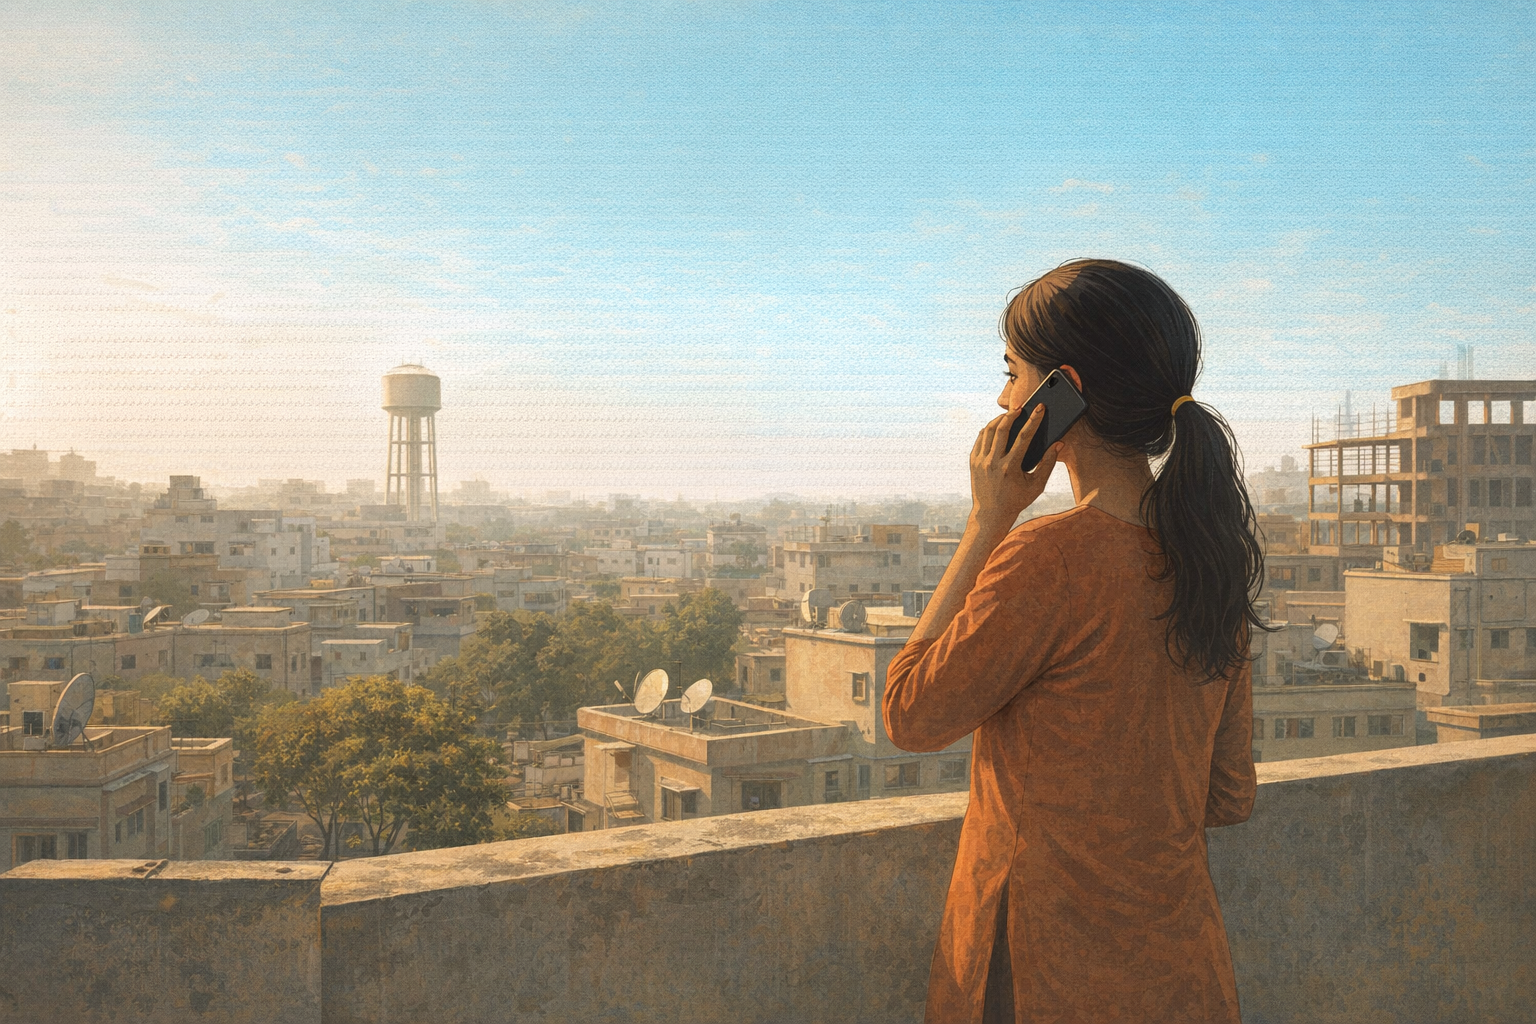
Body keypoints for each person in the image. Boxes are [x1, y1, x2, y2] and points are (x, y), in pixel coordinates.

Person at [882, 259, 1264, 1024]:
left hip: (1044, 972)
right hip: (1180, 970)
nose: (1001, 398)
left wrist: (989, 521)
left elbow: (909, 715)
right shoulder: (1207, 558)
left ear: (1063, 390)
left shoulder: (1047, 556)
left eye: (1012, 372)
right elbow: (1227, 795)